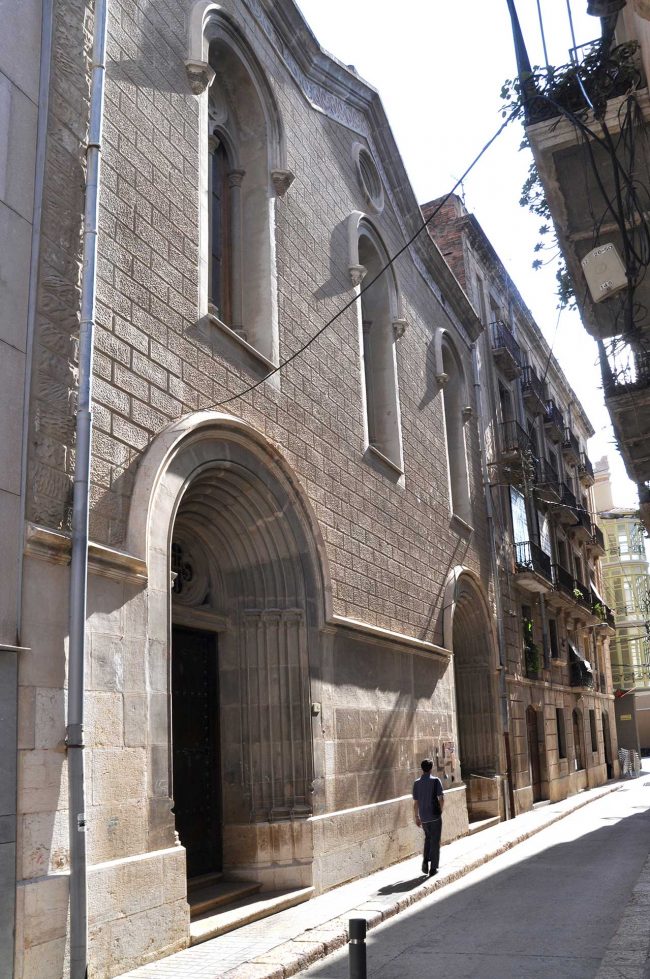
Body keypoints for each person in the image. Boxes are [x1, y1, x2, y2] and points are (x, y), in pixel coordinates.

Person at [412, 758, 444, 876]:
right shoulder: (436, 781)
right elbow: (441, 798)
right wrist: (440, 811)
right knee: (435, 841)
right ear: (431, 768)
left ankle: (425, 860)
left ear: (422, 768)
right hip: (435, 816)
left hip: (424, 817)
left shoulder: (416, 783)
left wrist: (416, 817)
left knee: (428, 839)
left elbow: (415, 802)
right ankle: (433, 868)